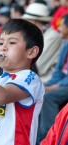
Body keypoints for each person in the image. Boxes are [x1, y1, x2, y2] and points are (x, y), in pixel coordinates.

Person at [36, 13, 68, 144]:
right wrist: (46, 85)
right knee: (40, 93)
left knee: (48, 97)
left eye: (62, 25)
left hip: (66, 85)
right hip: (63, 83)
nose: (59, 28)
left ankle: (48, 135)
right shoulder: (65, 45)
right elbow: (58, 72)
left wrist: (54, 87)